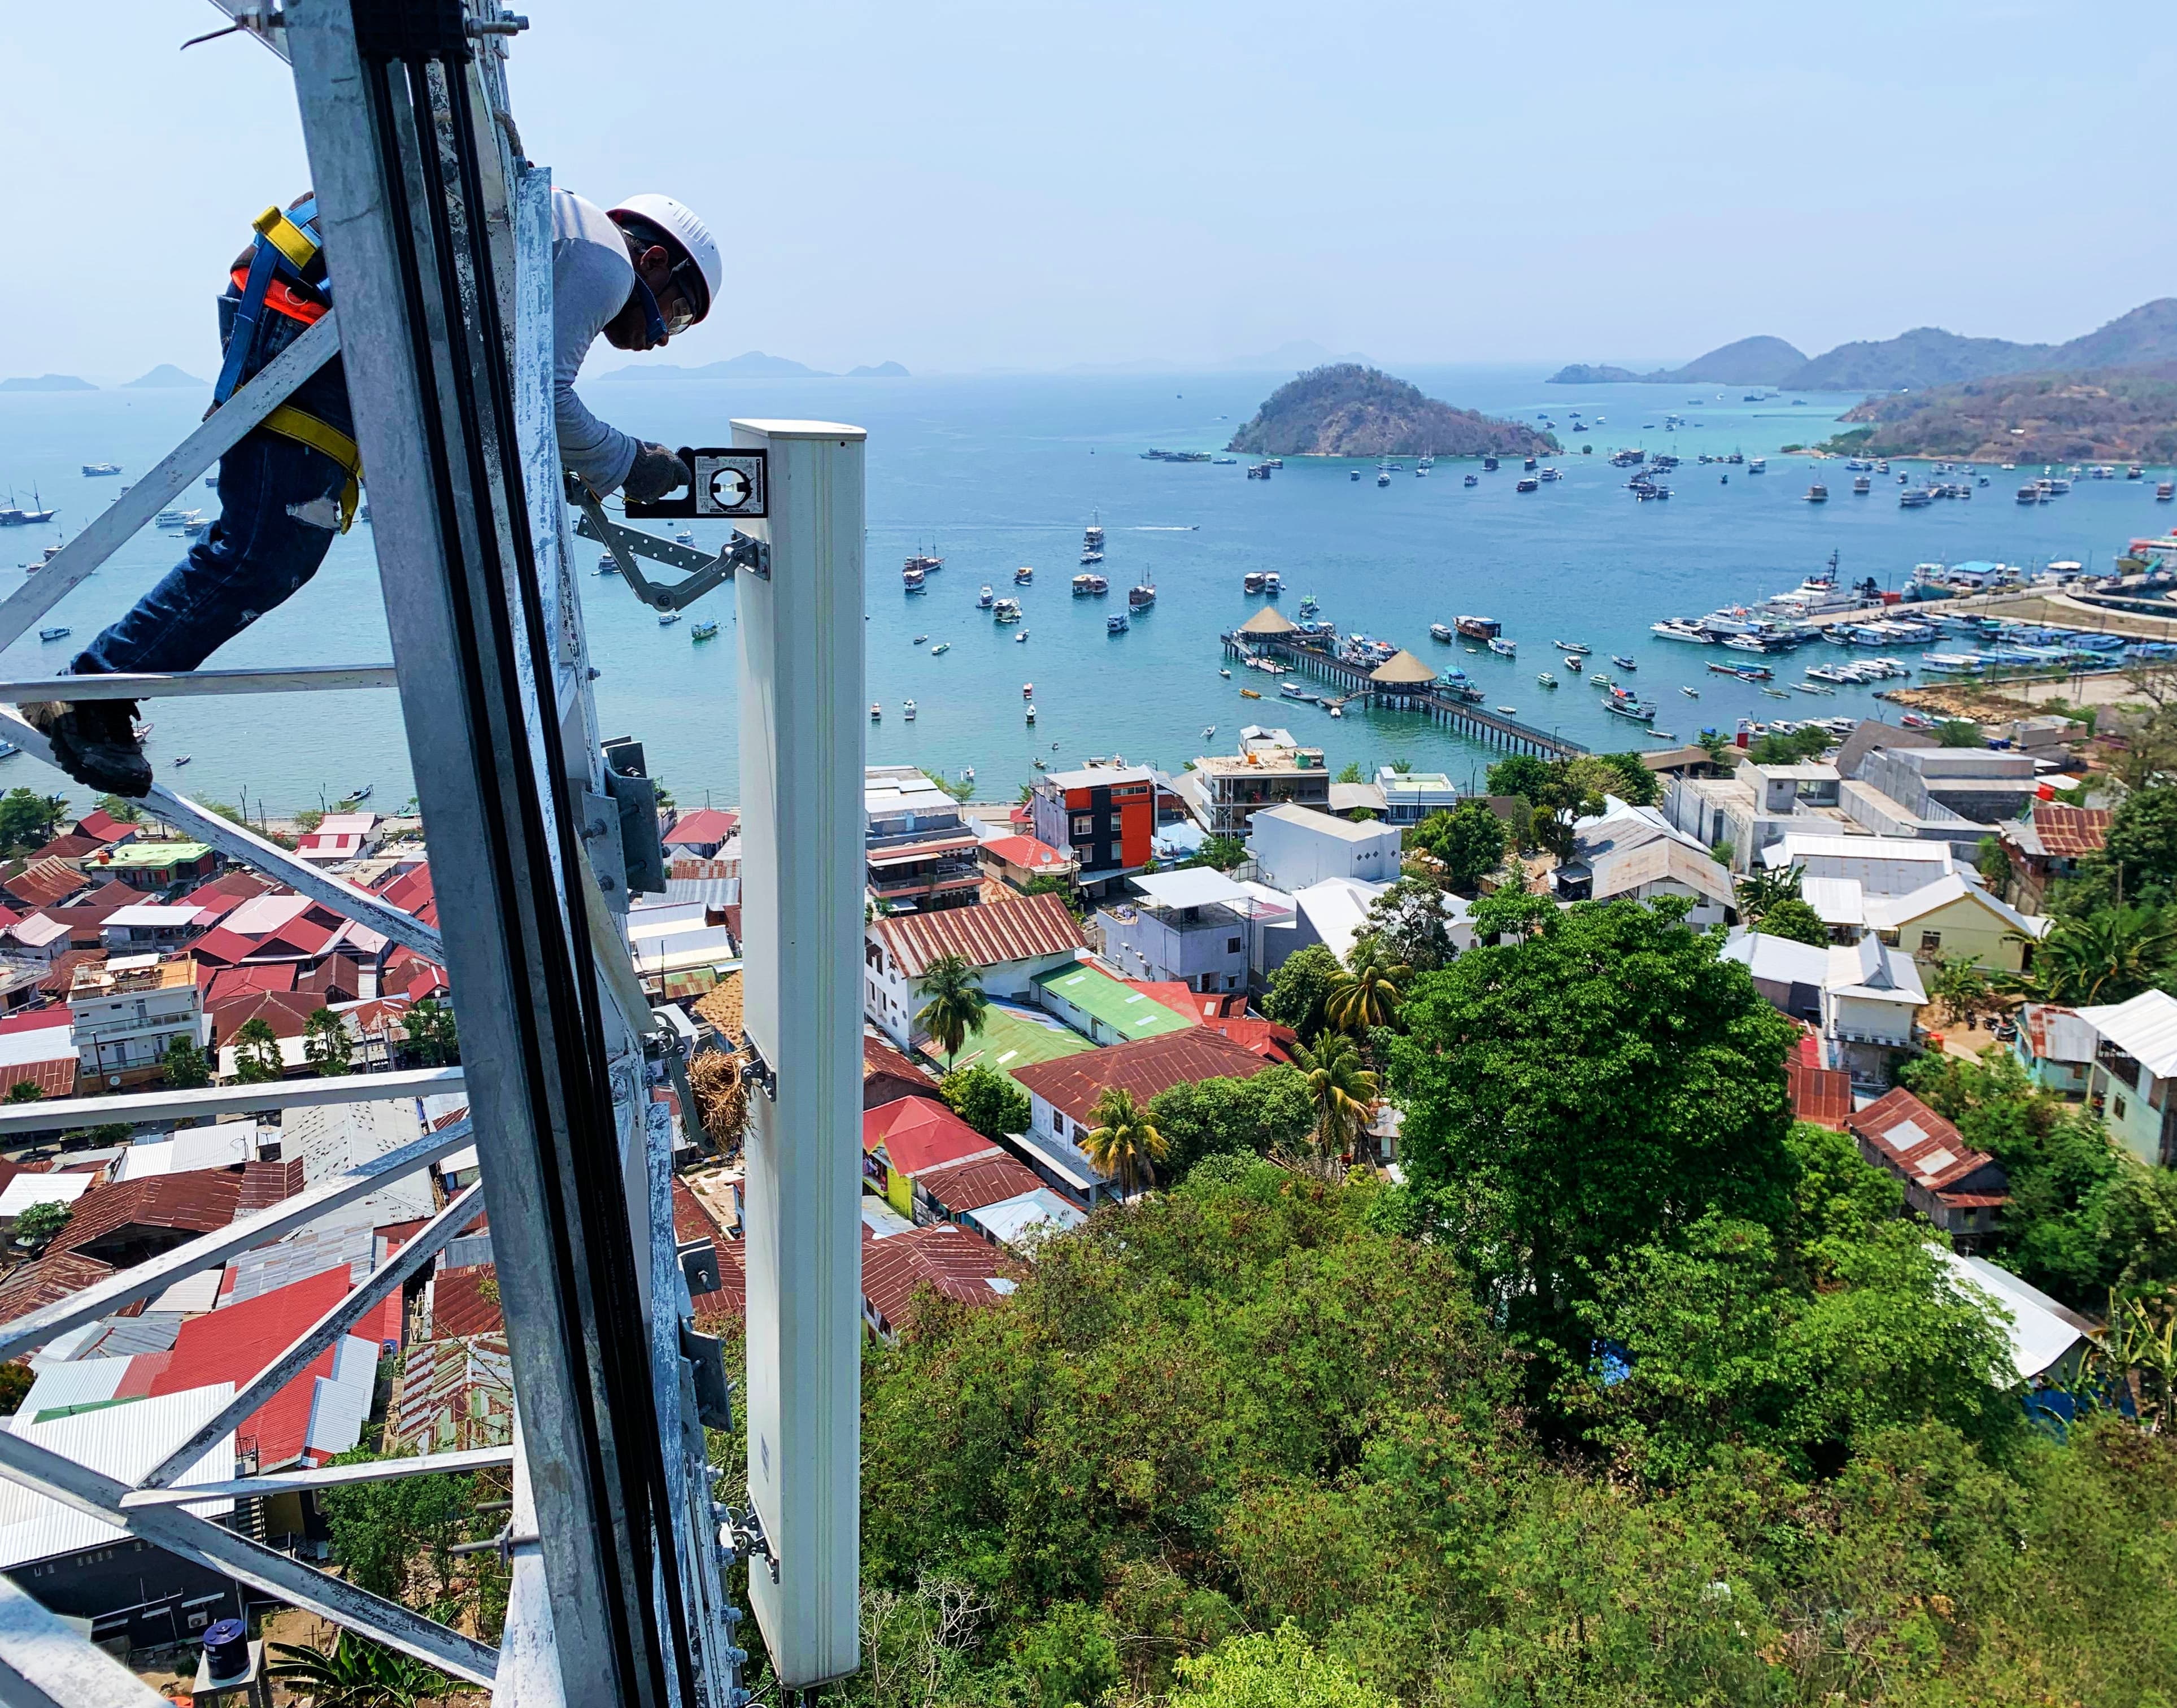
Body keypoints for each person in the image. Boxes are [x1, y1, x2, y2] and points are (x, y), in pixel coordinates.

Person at [28, 189, 722, 795]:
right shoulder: (603, 262)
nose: (665, 341)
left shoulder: (563, 238)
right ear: (654, 262)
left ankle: (100, 688)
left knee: (276, 551)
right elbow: (539, 393)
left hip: (311, 307)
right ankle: (90, 694)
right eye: (681, 315)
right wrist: (629, 463)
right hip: (312, 317)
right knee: (265, 552)